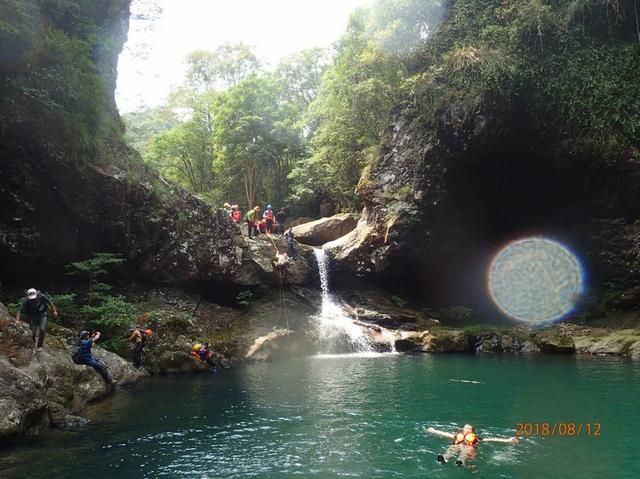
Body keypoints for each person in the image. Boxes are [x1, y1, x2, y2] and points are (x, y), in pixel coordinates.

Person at [426, 425, 518, 466]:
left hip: (469, 447)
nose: (464, 428)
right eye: (464, 427)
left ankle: (461, 461)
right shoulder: (458, 436)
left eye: (467, 428)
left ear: (471, 431)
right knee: (452, 448)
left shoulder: (476, 438)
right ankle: (445, 459)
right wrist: (434, 431)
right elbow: (445, 434)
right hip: (458, 445)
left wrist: (507, 440)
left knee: (465, 451)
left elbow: (490, 439)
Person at [15, 288, 57, 352]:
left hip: (42, 315)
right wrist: (17, 321)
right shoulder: (26, 301)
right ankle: (33, 343)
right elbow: (19, 311)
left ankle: (40, 345)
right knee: (33, 331)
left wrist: (54, 311)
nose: (33, 299)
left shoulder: (42, 296)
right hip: (32, 316)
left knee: (42, 329)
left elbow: (50, 303)